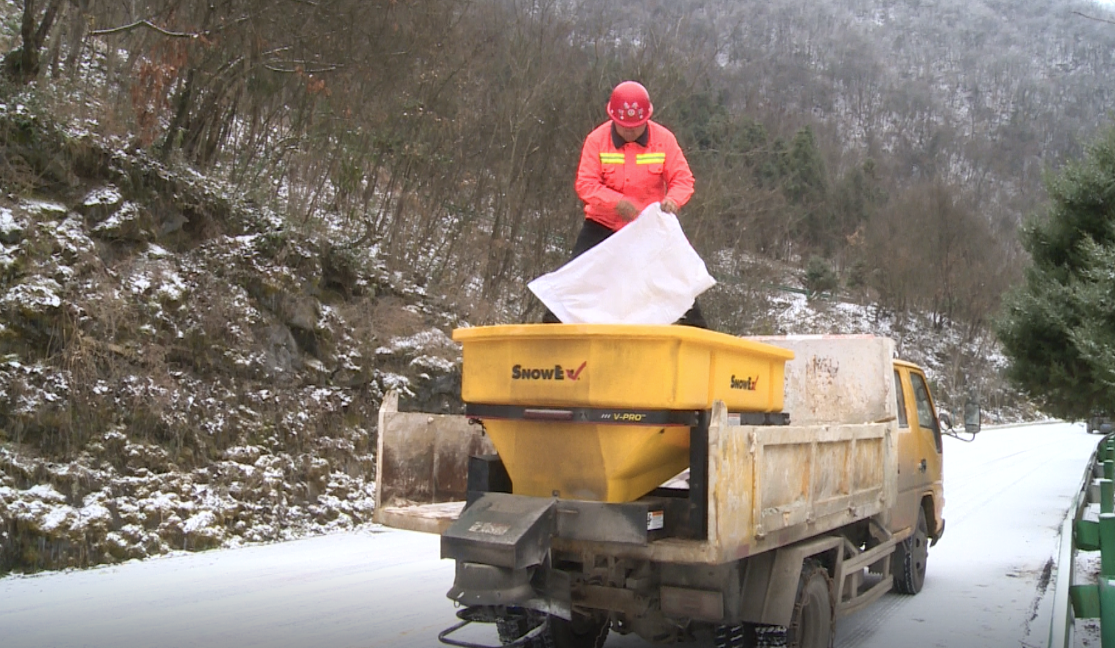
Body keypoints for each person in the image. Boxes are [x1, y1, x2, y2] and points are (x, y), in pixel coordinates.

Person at [542, 80, 707, 328]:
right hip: (602, 223)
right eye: (624, 127)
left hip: (647, 227)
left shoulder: (665, 140)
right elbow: (586, 184)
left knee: (677, 287)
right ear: (612, 118)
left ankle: (699, 336)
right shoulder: (596, 140)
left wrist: (674, 199)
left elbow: (683, 178)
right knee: (574, 281)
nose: (630, 132)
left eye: (636, 127)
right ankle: (547, 334)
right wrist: (616, 202)